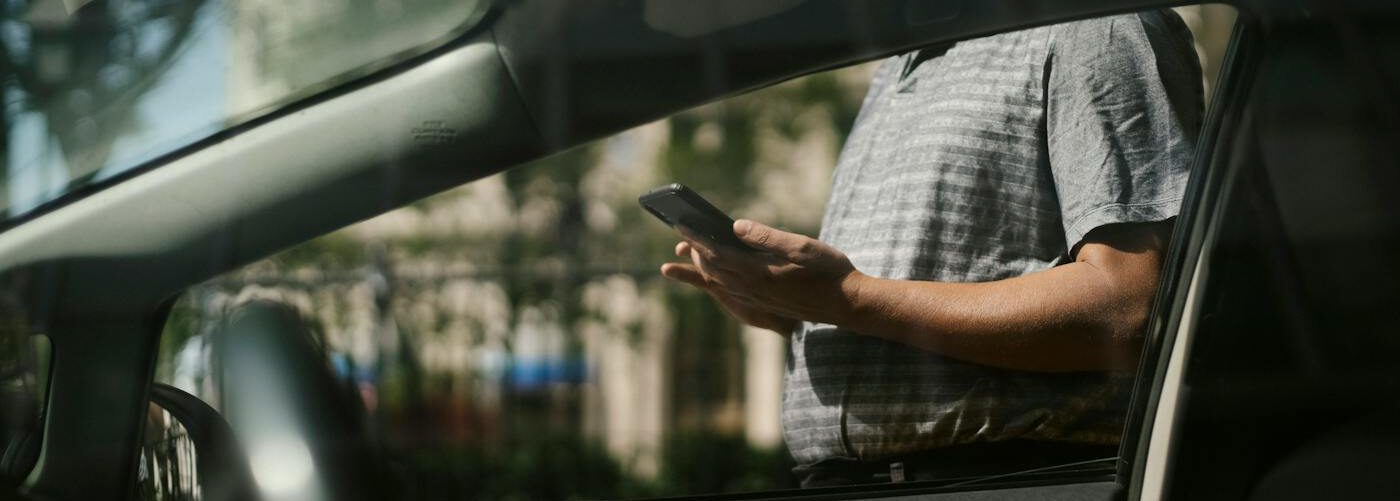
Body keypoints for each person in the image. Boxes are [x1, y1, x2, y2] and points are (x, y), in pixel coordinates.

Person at [659, 10, 1202, 487]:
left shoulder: (1097, 27)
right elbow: (891, 301)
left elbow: (1127, 308)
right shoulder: (897, 64)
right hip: (853, 483)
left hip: (1005, 480)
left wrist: (845, 299)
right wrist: (792, 306)